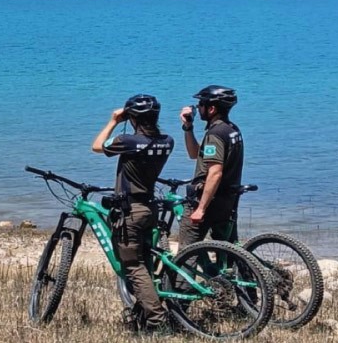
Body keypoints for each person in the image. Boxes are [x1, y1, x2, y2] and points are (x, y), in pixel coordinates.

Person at [92, 94, 174, 331]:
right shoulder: (167, 141)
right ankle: (144, 312)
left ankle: (158, 321)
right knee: (146, 262)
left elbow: (97, 146)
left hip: (131, 211)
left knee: (133, 266)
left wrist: (114, 121)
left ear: (132, 117)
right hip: (150, 207)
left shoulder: (127, 141)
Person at [177, 85, 244, 249]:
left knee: (186, 254)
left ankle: (180, 275)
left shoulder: (215, 134)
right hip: (227, 199)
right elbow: (195, 154)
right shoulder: (231, 129)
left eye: (201, 105)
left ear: (212, 109)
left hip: (209, 200)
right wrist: (188, 127)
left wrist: (200, 208)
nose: (198, 108)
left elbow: (215, 173)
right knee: (229, 251)